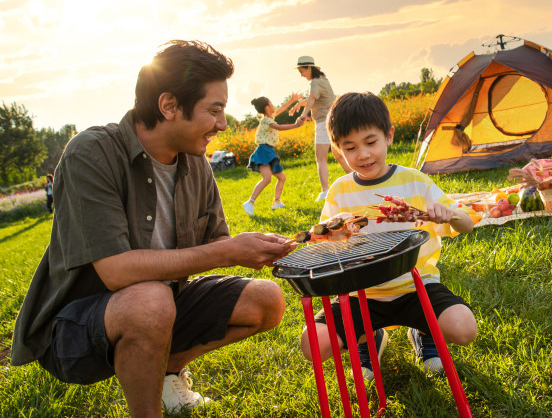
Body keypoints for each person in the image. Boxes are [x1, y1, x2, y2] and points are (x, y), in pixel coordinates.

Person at [10, 40, 295, 417]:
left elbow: (218, 242)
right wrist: (227, 251)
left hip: (161, 306)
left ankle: (167, 372)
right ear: (169, 105)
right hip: (75, 329)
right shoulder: (92, 153)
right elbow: (116, 271)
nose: (223, 124)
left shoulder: (196, 164)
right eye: (215, 110)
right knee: (149, 301)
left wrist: (263, 248)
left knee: (266, 300)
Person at [299, 92, 477, 381]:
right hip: (362, 294)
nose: (364, 154)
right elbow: (323, 246)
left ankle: (423, 332)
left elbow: (467, 224)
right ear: (337, 149)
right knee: (313, 345)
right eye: (351, 147)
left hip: (416, 287)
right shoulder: (339, 191)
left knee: (464, 327)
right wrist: (334, 234)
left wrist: (450, 215)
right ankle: (368, 338)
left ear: (389, 136)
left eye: (371, 142)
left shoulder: (415, 181)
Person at [289, 56, 352, 201]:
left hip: (324, 123)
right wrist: (299, 104)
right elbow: (316, 98)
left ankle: (325, 191)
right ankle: (360, 179)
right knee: (339, 156)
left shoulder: (315, 82)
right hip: (334, 119)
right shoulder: (323, 80)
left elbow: (312, 97)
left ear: (309, 68)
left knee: (321, 158)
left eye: (302, 71)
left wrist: (303, 115)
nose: (301, 75)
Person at [242, 94, 305, 216]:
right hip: (264, 151)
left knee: (281, 177)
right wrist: (296, 125)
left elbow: (281, 109)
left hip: (268, 151)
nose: (273, 105)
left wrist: (291, 100)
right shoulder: (267, 120)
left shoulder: (269, 117)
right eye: (271, 103)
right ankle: (250, 202)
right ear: (266, 107)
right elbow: (279, 127)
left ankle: (277, 202)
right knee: (267, 179)